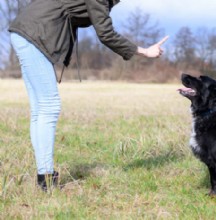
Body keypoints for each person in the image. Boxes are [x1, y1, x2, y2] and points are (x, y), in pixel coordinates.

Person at [9, 0, 168, 191]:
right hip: (34, 34)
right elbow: (106, 33)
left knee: (40, 109)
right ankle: (46, 178)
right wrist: (144, 51)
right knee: (49, 106)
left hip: (25, 31)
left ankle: (44, 175)